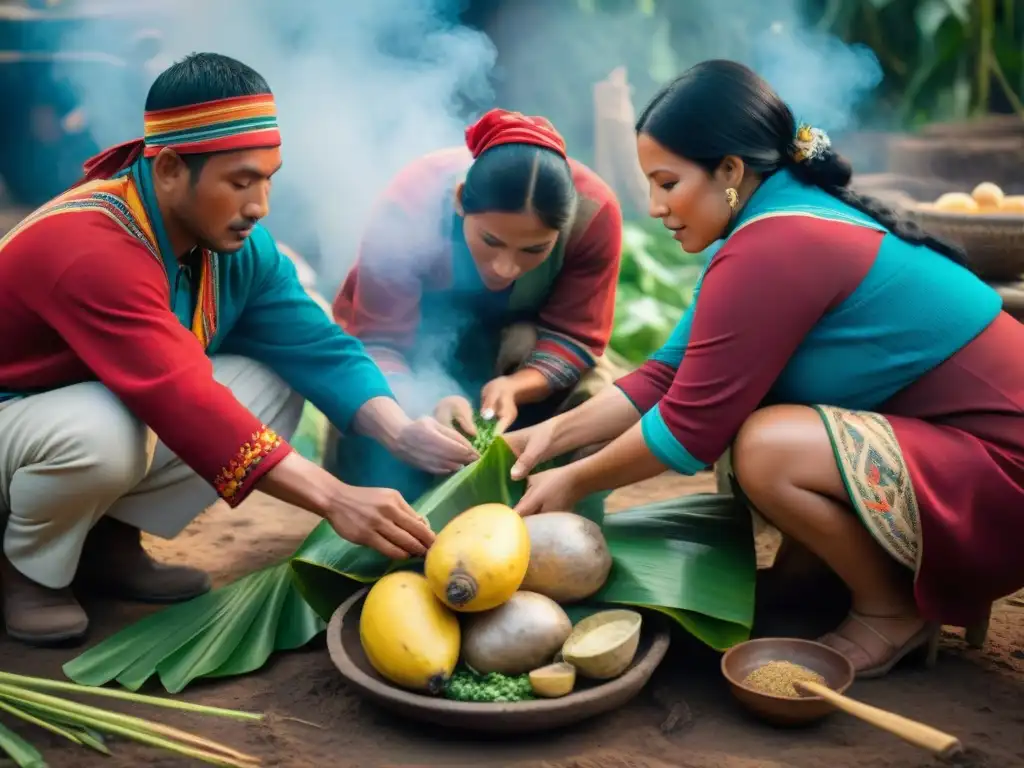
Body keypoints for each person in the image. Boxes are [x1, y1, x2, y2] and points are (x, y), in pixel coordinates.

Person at [504, 59, 1024, 679]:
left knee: (764, 447)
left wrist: (573, 481)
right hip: (958, 451)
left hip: (1002, 468)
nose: (654, 206)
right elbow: (667, 374)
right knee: (755, 420)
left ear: (729, 171)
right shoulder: (767, 225)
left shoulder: (775, 245)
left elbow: (690, 427)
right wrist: (547, 438)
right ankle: (825, 574)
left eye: (667, 183)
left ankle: (891, 609)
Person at [0, 52, 480, 647]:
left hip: (54, 427)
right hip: (14, 423)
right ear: (172, 168)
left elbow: (315, 344)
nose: (260, 206)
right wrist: (335, 498)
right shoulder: (91, 247)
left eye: (268, 178)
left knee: (272, 380)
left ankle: (105, 543)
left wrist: (397, 429)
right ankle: (25, 571)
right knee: (102, 433)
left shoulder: (229, 243)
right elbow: (182, 398)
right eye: (241, 181)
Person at [331, 108, 624, 501]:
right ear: (458, 201)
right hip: (415, 354)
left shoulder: (594, 214)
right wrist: (425, 399)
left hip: (519, 350)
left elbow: (576, 337)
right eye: (491, 241)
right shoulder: (409, 208)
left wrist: (517, 387)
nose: (506, 267)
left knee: (598, 399)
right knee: (374, 452)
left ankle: (555, 493)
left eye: (535, 249)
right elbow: (378, 341)